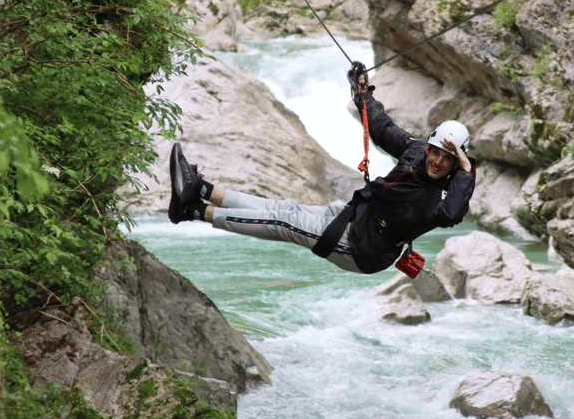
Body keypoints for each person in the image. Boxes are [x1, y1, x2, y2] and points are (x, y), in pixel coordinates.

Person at [166, 61, 477, 274]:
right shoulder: (416, 151)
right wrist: (362, 92)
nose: (438, 161)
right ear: (430, 147)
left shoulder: (439, 201)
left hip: (361, 249)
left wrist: (466, 172)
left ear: (455, 166)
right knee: (284, 209)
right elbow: (381, 127)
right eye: (437, 152)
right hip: (354, 217)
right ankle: (202, 190)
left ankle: (192, 211)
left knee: (282, 222)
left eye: (448, 159)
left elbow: (452, 216)